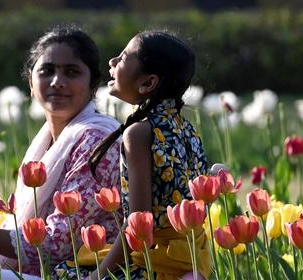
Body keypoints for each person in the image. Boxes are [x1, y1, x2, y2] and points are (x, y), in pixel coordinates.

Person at [0, 26, 123, 279]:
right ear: (30, 84)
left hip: (85, 273)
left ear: (92, 86)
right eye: (47, 71)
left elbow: (57, 244)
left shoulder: (98, 141)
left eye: (72, 72)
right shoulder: (49, 142)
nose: (57, 82)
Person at [86, 31, 211, 279]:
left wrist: (97, 276)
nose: (112, 61)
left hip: (154, 266)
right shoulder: (186, 128)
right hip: (192, 259)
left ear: (147, 83)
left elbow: (138, 224)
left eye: (122, 58)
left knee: (64, 272)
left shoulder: (140, 132)